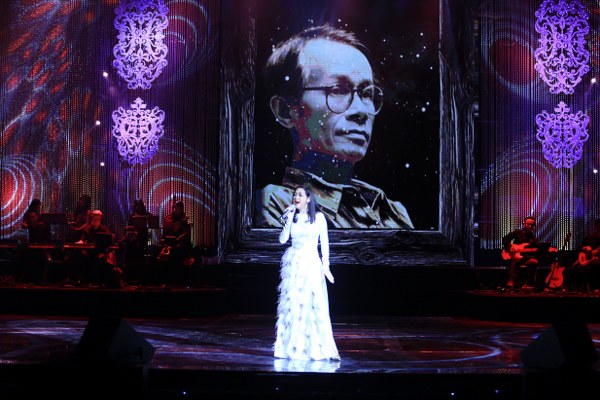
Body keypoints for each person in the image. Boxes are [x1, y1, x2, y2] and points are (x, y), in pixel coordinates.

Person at [255, 24, 414, 230]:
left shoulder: (391, 211)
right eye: (338, 90)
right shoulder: (272, 206)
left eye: (367, 93)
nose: (361, 111)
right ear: (286, 111)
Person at [274, 186, 340, 361]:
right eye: (295, 194)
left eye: (300, 195)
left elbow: (324, 244)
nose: (296, 197)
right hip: (294, 264)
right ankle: (292, 347)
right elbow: (282, 240)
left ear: (308, 199)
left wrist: (326, 266)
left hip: (311, 263)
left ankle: (314, 348)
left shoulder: (318, 218)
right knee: (294, 305)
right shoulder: (293, 217)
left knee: (311, 303)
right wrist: (288, 219)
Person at [74, 210, 122, 287]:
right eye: (94, 219)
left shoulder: (104, 229)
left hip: (100, 253)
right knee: (78, 255)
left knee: (105, 259)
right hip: (89, 252)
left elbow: (108, 242)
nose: (96, 220)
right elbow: (82, 239)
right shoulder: (87, 229)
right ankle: (81, 279)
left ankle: (103, 280)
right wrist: (79, 243)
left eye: (98, 219)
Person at [158, 201, 194, 285]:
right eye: (174, 208)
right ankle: (164, 280)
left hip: (180, 245)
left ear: (181, 209)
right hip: (169, 244)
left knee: (177, 253)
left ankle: (178, 280)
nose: (175, 210)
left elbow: (186, 235)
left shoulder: (185, 220)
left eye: (178, 208)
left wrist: (179, 239)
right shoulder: (168, 219)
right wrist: (164, 241)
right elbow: (165, 233)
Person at [501, 216, 540, 290]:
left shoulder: (532, 237)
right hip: (514, 255)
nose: (530, 226)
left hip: (526, 257)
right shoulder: (517, 232)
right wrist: (510, 247)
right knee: (516, 258)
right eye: (528, 224)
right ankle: (511, 281)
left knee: (534, 262)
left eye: (532, 225)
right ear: (523, 224)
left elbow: (536, 247)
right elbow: (505, 239)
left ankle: (529, 283)